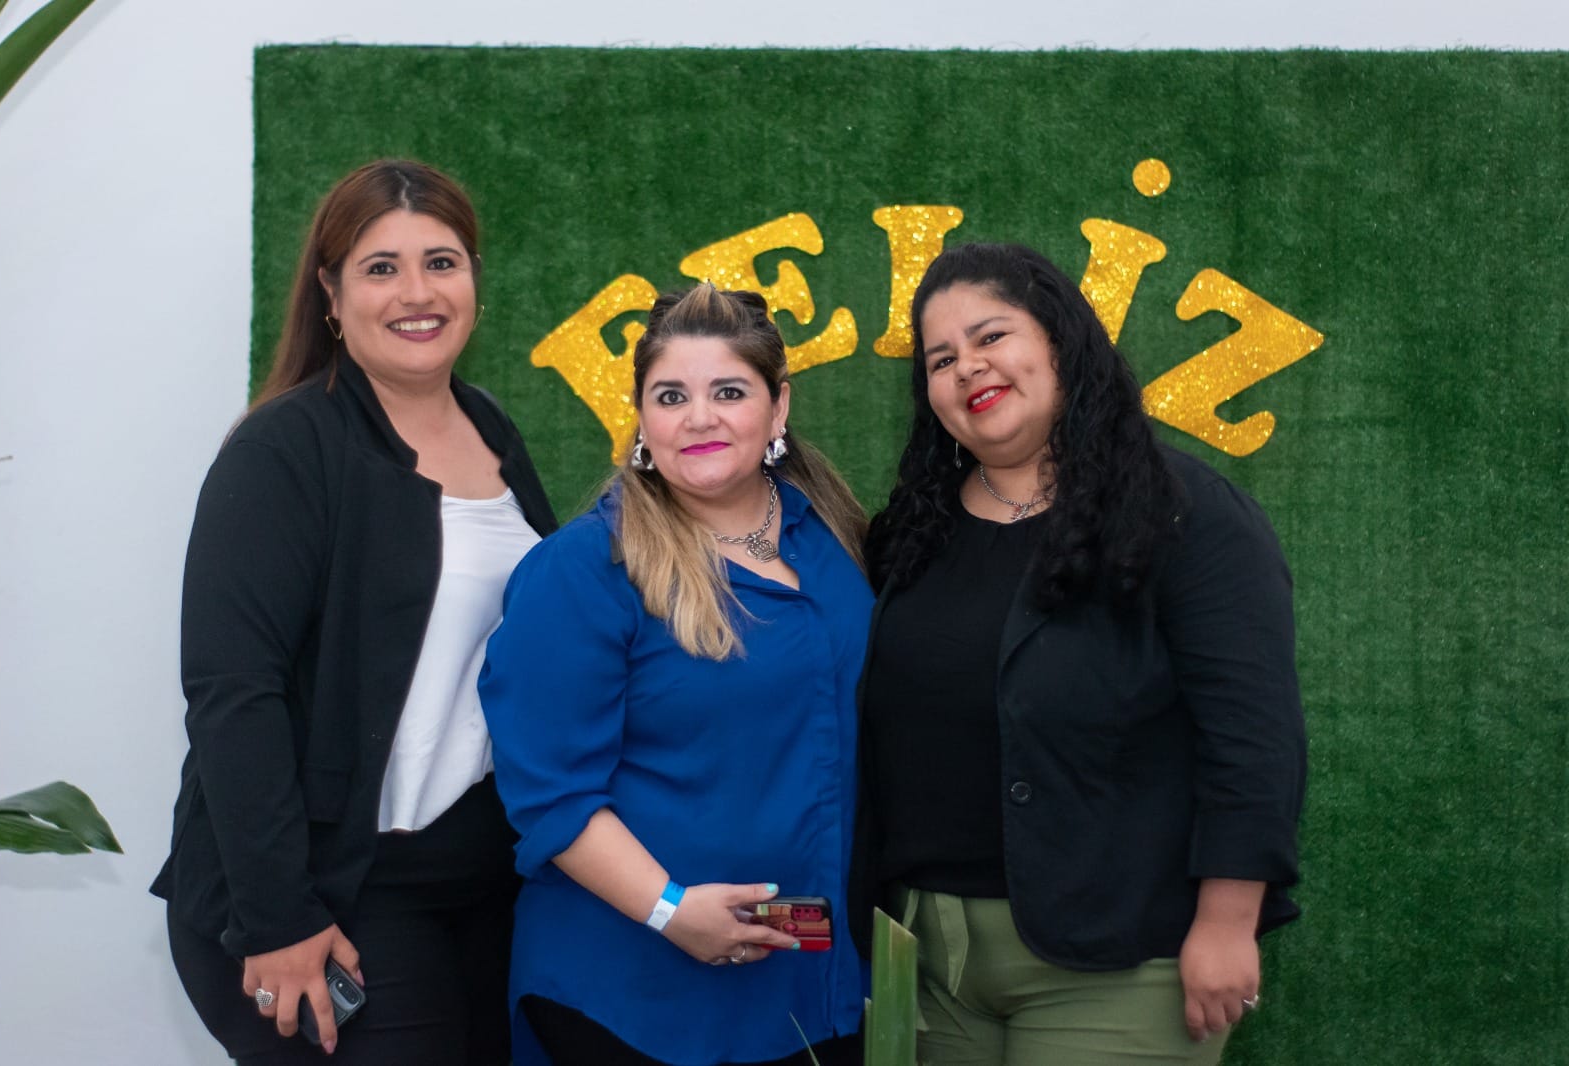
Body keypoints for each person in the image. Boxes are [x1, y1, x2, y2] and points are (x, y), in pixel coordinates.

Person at [851, 242, 1306, 1065]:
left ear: (1061, 340)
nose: (967, 367)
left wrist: (1227, 922)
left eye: (992, 336)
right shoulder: (912, 532)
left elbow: (1254, 737)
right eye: (941, 359)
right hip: (926, 963)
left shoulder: (1185, 513)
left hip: (1121, 961)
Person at [151, 159, 557, 1064]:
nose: (418, 293)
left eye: (442, 262)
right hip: (323, 894)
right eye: (381, 268)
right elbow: (232, 691)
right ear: (331, 296)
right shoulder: (283, 449)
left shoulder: (491, 427)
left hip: (471, 885)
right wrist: (280, 916)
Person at [479, 285, 870, 1066]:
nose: (699, 418)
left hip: (809, 986)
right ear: (641, 417)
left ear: (778, 407)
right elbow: (551, 794)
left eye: (729, 392)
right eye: (670, 396)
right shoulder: (583, 571)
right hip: (632, 994)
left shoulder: (832, 541)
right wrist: (669, 910)